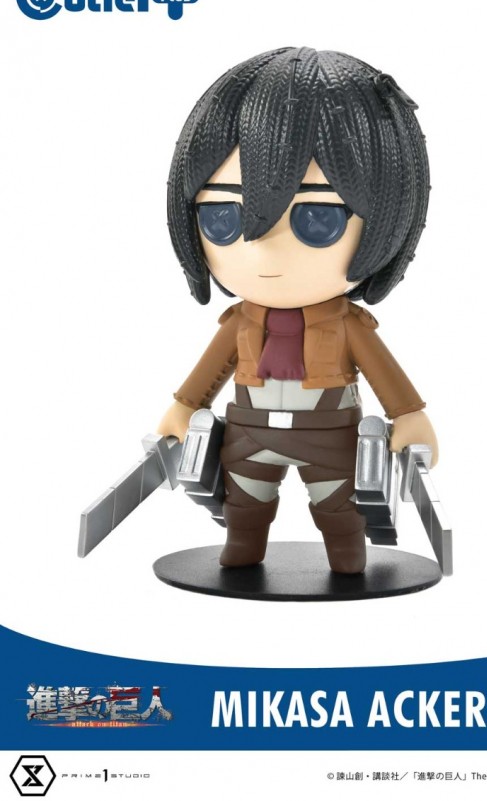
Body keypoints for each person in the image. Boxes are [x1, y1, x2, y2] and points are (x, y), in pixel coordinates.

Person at [158, 47, 437, 574]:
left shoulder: (348, 325)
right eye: (222, 218)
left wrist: (408, 415)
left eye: (317, 219)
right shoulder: (240, 321)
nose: (262, 251)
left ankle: (347, 561)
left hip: (328, 435)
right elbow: (210, 369)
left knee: (339, 510)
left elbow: (383, 371)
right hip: (249, 432)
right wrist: (183, 406)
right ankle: (243, 550)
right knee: (243, 506)